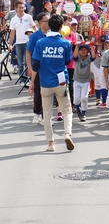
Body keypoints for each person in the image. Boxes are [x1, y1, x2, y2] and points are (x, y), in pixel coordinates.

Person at [28, 14, 74, 152]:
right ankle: (67, 134)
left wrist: (32, 82)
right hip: (60, 82)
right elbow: (67, 61)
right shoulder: (65, 43)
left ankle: (51, 143)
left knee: (47, 114)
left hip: (45, 82)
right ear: (61, 27)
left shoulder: (40, 43)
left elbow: (35, 64)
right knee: (67, 110)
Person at [26, 12, 50, 124]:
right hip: (37, 69)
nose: (48, 23)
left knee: (49, 93)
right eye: (45, 21)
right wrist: (29, 67)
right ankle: (37, 113)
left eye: (49, 20)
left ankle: (46, 116)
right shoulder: (35, 36)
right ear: (40, 23)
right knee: (38, 92)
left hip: (49, 69)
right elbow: (28, 52)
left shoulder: (52, 34)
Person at [8, 1, 37, 83]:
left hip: (28, 42)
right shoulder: (14, 19)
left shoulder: (28, 17)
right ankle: (23, 80)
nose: (22, 9)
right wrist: (10, 44)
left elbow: (34, 27)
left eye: (23, 7)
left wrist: (40, 36)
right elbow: (12, 32)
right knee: (20, 63)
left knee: (28, 62)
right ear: (16, 8)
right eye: (20, 7)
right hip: (18, 43)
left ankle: (30, 78)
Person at [72, 42, 96, 122]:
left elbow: (93, 57)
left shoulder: (88, 58)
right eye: (81, 49)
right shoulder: (77, 58)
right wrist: (77, 46)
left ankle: (83, 113)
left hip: (86, 81)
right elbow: (74, 56)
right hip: (77, 80)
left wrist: (91, 47)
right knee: (76, 99)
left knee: (84, 98)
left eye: (85, 50)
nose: (83, 51)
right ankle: (78, 109)